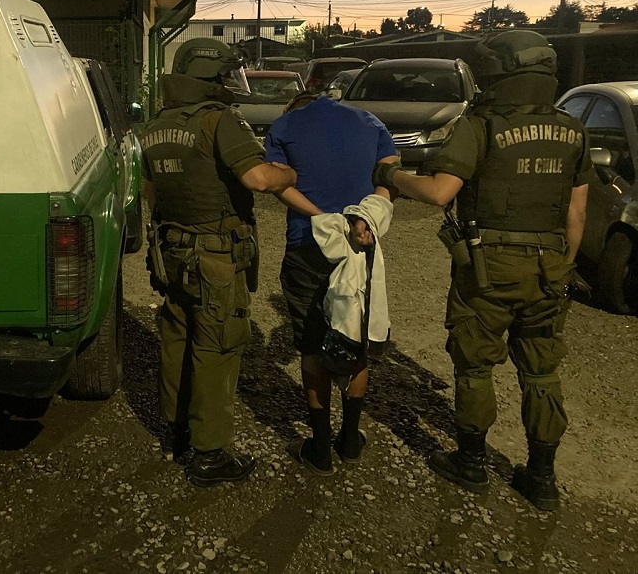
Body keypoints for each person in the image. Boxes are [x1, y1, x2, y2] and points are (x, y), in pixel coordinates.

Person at [371, 30, 592, 511]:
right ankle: (541, 478)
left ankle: (470, 463)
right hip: (550, 265)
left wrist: (389, 175)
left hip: (488, 267)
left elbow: (438, 192)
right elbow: (577, 214)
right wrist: (562, 266)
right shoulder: (572, 128)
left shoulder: (480, 125)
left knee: (474, 365)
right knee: (540, 372)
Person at [142, 38, 297, 487]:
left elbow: (151, 193)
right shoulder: (219, 119)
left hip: (171, 250)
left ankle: (176, 432)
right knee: (218, 347)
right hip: (213, 257)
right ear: (213, 76)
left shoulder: (155, 124)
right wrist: (289, 172)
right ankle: (210, 454)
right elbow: (258, 178)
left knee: (176, 338)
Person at [264, 90, 400, 475]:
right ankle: (351, 438)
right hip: (360, 248)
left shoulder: (284, 125)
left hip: (308, 246)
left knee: (311, 347)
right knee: (354, 337)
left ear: (295, 105)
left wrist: (322, 214)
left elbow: (277, 185)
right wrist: (363, 218)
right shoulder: (370, 122)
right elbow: (391, 175)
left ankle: (321, 448)